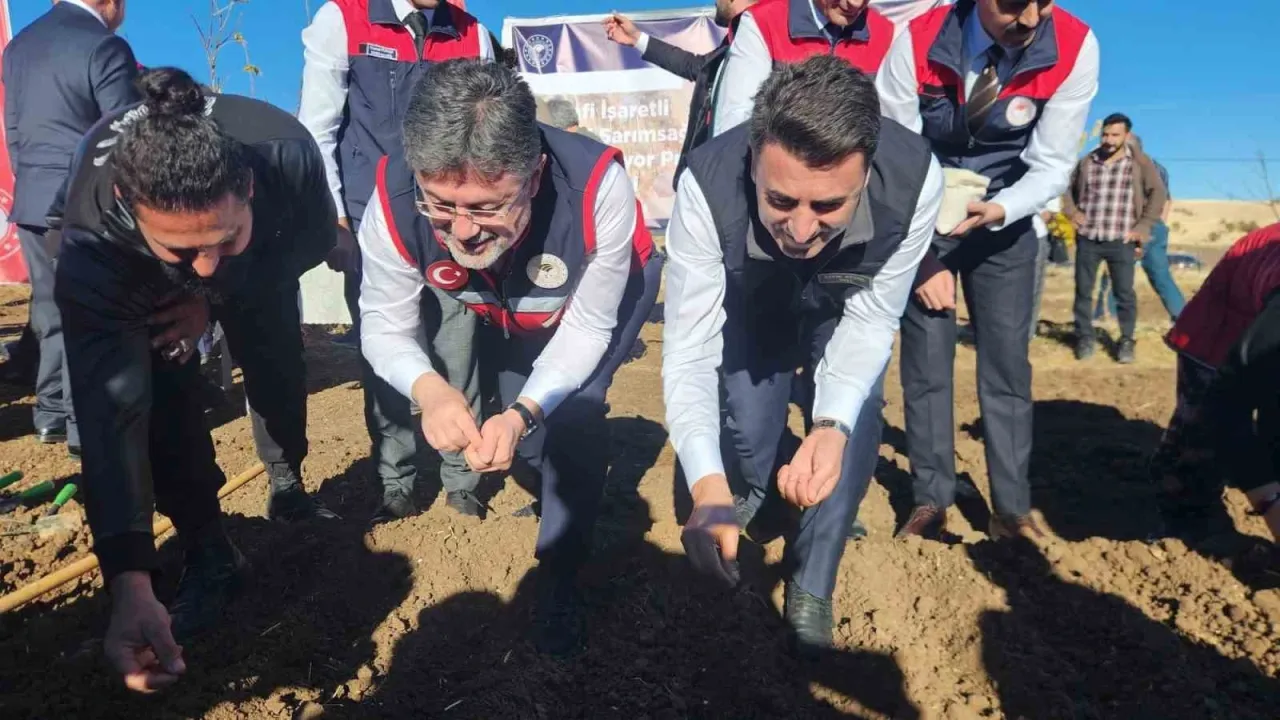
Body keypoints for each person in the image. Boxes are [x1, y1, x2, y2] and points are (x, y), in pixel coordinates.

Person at [358, 59, 662, 655]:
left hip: (599, 295)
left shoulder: (596, 186)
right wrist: (430, 390)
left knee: (571, 409)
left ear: (536, 174)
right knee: (519, 427)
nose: (462, 232)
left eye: (486, 207)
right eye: (440, 205)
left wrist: (524, 413)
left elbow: (585, 330)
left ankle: (562, 573)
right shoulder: (391, 199)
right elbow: (383, 323)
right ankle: (551, 488)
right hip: (506, 300)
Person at [51, 68, 340, 692]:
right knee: (157, 400)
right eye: (183, 250)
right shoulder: (95, 235)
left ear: (249, 188)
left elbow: (311, 242)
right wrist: (127, 576)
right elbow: (110, 417)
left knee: (274, 359)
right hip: (139, 278)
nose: (204, 263)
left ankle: (286, 479)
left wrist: (211, 297)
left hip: (263, 263)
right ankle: (209, 549)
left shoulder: (285, 152)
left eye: (222, 237)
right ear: (130, 205)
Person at [664, 55, 942, 652]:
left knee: (854, 421)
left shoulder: (917, 179)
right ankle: (753, 495)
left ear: (867, 173)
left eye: (828, 206)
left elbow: (873, 318)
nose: (799, 230)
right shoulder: (704, 184)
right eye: (781, 200)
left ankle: (814, 580)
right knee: (749, 424)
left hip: (847, 299)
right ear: (753, 160)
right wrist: (707, 484)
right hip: (753, 298)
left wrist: (831, 423)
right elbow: (689, 351)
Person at [876, 0, 1099, 540]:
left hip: (1006, 220)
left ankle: (1012, 508)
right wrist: (922, 254)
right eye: (1014, 3)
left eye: (1042, 2)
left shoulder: (1074, 46)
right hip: (924, 216)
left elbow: (1052, 163)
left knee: (1006, 367)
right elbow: (895, 153)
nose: (1031, 18)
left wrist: (1001, 209)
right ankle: (931, 499)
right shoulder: (917, 40)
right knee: (926, 366)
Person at [298, 0, 496, 523]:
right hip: (371, 221)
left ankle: (463, 477)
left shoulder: (471, 33)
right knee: (384, 349)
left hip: (450, 223)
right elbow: (317, 129)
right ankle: (397, 480)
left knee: (459, 349)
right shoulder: (343, 19)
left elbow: (487, 133)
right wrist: (335, 220)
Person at [2, 0, 140, 455]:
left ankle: (51, 412)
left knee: (49, 309)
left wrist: (34, 184)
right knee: (93, 315)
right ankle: (84, 427)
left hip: (33, 198)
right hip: (86, 204)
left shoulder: (20, 46)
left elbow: (14, 131)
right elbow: (125, 138)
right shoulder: (104, 46)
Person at [1152, 223, 1280, 543]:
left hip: (1264, 312)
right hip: (1220, 326)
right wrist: (1269, 502)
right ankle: (1184, 517)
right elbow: (1225, 409)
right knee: (1198, 436)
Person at [602, 0, 756, 182]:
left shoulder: (765, 42)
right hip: (709, 174)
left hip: (740, 175)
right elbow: (695, 66)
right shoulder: (731, 44)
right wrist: (637, 38)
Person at [1064, 113, 1166, 364]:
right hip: (1089, 237)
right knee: (1083, 291)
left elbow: (1158, 193)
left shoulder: (1140, 163)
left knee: (1124, 293)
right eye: (1105, 134)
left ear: (1126, 136)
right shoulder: (1087, 161)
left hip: (1122, 239)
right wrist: (1071, 212)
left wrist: (1143, 227)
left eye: (1115, 135)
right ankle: (1084, 337)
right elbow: (1065, 187)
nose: (1108, 140)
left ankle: (1126, 340)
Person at [712, 0, 896, 138]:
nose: (855, 3)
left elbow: (893, 131)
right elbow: (733, 128)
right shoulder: (762, 22)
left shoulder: (887, 32)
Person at [1095, 135, 1183, 324]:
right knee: (1161, 276)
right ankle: (1184, 319)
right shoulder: (1157, 167)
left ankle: (1106, 318)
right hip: (1155, 226)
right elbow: (1167, 200)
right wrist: (1159, 224)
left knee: (1115, 272)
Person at [1029, 196, 1062, 340]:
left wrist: (1048, 212)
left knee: (1032, 288)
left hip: (1036, 233)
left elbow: (1051, 211)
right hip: (1000, 232)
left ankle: (1027, 333)